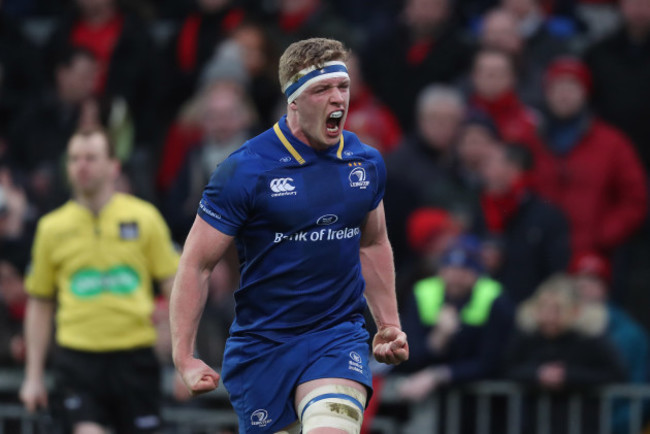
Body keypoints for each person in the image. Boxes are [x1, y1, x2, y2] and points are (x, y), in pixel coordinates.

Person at [170, 37, 409, 434]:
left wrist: (388, 324)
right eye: (322, 89)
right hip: (264, 346)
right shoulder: (245, 171)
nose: (338, 100)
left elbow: (372, 242)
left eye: (343, 87)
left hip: (337, 335)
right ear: (293, 100)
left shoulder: (364, 163)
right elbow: (197, 264)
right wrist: (185, 357)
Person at [19, 128, 180, 434]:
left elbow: (174, 285)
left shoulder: (144, 218)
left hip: (135, 357)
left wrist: (185, 355)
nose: (81, 165)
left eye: (91, 158)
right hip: (77, 359)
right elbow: (39, 303)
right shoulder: (51, 228)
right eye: (75, 158)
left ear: (113, 166)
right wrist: (33, 376)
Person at [506, 274, 625, 434]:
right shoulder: (528, 334)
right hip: (535, 423)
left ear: (574, 310)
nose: (549, 317)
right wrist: (537, 374)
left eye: (557, 309)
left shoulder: (589, 337)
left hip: (581, 423)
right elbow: (507, 367)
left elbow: (616, 373)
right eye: (543, 308)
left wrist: (568, 376)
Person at [477, 144, 570, 303]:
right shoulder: (478, 209)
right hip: (486, 313)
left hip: (530, 312)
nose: (484, 172)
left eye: (490, 164)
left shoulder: (546, 216)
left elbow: (555, 274)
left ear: (514, 169)